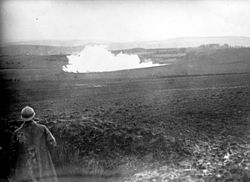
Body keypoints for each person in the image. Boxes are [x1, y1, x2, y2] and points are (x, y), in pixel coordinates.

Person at [9, 106, 58, 182]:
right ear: (33, 116)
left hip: (25, 169)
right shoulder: (43, 129)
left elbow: (12, 152)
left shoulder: (18, 133)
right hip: (42, 164)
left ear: (22, 118)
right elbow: (53, 143)